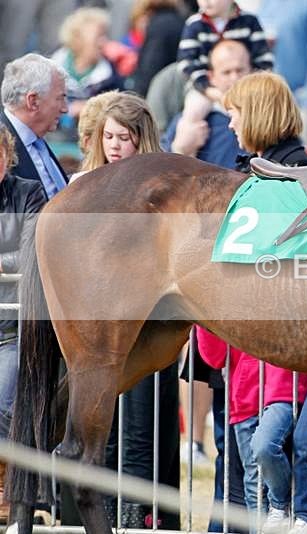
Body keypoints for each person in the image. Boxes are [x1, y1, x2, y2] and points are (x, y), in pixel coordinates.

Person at [74, 92, 180, 529]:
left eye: (125, 138)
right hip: (98, 327)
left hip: (150, 325)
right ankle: (107, 513)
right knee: (107, 433)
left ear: (142, 140)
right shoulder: (84, 184)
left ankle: (139, 518)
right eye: (110, 136)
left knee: (143, 430)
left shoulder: (159, 185)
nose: (115, 145)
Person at [195, 327, 307, 531]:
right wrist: (201, 321)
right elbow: (215, 358)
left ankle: (279, 505)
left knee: (264, 447)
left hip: (283, 389)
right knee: (253, 480)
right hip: (243, 395)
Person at [0, 124, 46, 523]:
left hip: (14, 326)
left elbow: (33, 248)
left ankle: (8, 491)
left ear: (7, 154)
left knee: (6, 403)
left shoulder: (28, 191)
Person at [177, 0, 272, 134]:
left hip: (246, 86)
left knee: (265, 108)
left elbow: (264, 60)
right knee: (193, 114)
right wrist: (208, 89)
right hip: (206, 89)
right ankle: (186, 151)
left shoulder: (249, 21)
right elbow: (186, 63)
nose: (206, 2)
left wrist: (251, 85)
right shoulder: (194, 24)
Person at [162, 39, 251, 168]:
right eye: (226, 72)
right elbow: (162, 172)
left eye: (240, 70)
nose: (234, 78)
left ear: (251, 71)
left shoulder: (266, 117)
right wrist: (179, 149)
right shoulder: (190, 120)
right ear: (211, 77)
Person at [0, 54, 69, 199]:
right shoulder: (3, 147)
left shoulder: (37, 142)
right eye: (60, 98)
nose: (65, 109)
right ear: (33, 102)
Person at [50, 7, 125, 139]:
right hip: (52, 137)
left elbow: (121, 113)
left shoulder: (110, 76)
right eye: (98, 36)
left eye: (105, 35)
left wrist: (93, 109)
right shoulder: (50, 69)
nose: (103, 42)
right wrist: (69, 111)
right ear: (78, 39)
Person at [223, 71, 307, 168]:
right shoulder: (255, 164)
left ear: (254, 116)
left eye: (232, 115)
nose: (230, 125)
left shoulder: (295, 167)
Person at [131, 0, 187, 97]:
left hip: (159, 97)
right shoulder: (179, 20)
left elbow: (150, 69)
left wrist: (135, 99)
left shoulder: (159, 26)